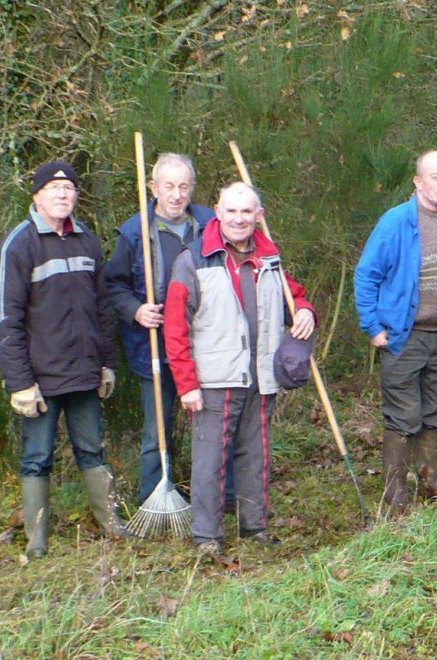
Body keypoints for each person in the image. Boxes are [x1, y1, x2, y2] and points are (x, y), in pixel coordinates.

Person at [163, 182, 316, 555]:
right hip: (215, 378)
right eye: (231, 211)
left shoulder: (269, 257)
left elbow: (291, 295)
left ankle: (254, 527)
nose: (239, 219)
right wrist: (187, 384)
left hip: (261, 376)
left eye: (247, 212)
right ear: (217, 211)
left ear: (258, 216)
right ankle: (207, 537)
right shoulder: (194, 258)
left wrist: (306, 308)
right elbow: (174, 326)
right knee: (210, 460)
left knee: (255, 454)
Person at [0, 160, 128, 559]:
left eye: (69, 189)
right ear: (36, 195)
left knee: (92, 450)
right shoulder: (18, 244)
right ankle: (36, 543)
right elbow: (5, 320)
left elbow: (102, 310)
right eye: (53, 189)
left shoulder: (87, 240)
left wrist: (107, 364)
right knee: (36, 458)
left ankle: (112, 527)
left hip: (84, 374)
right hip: (39, 380)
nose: (63, 195)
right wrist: (19, 383)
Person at [353, 150, 437, 508]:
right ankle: (395, 492)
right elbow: (366, 274)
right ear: (418, 181)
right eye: (435, 177)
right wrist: (371, 327)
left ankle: (431, 481)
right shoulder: (396, 222)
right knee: (403, 414)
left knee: (436, 409)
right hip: (403, 335)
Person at [104, 153, 215, 504]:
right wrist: (136, 310)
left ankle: (212, 497)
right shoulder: (134, 231)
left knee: (210, 426)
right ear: (154, 188)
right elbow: (112, 286)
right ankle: (153, 497)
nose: (177, 194)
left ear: (192, 189)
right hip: (154, 348)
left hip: (206, 346)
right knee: (158, 429)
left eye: (184, 186)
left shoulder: (210, 225)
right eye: (168, 186)